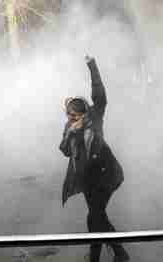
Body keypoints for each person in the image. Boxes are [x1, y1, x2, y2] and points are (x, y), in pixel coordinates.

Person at [59, 55, 130, 262]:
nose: (70, 119)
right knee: (98, 217)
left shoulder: (95, 117)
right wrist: (71, 133)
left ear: (84, 114)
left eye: (74, 116)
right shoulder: (70, 127)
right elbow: (64, 150)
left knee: (95, 217)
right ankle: (119, 253)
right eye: (68, 115)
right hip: (88, 179)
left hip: (107, 176)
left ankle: (96, 257)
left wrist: (92, 66)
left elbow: (100, 95)